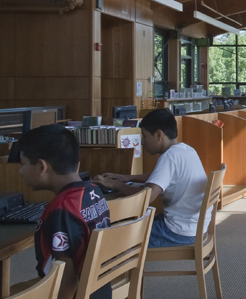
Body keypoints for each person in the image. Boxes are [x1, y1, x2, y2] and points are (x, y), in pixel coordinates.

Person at [17, 125, 111, 299]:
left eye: (23, 164)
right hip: (99, 290)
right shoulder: (94, 191)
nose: (20, 171)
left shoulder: (60, 211)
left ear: (41, 166)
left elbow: (67, 283)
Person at [94, 109, 209, 248]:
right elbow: (159, 177)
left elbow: (146, 197)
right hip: (194, 226)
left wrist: (116, 185)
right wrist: (126, 177)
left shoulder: (169, 157)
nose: (143, 142)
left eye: (145, 136)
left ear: (159, 134)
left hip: (178, 231)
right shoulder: (186, 150)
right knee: (129, 226)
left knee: (115, 238)